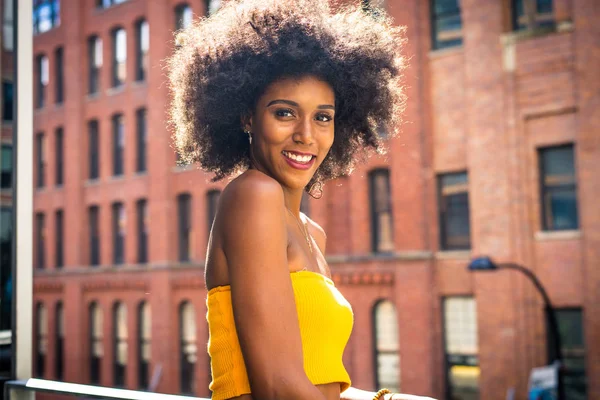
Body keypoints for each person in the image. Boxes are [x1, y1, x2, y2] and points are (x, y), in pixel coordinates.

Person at [168, 1, 434, 399]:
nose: (307, 135)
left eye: (323, 117)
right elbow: (277, 387)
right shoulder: (253, 195)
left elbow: (321, 384)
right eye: (285, 113)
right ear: (246, 118)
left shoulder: (313, 233)